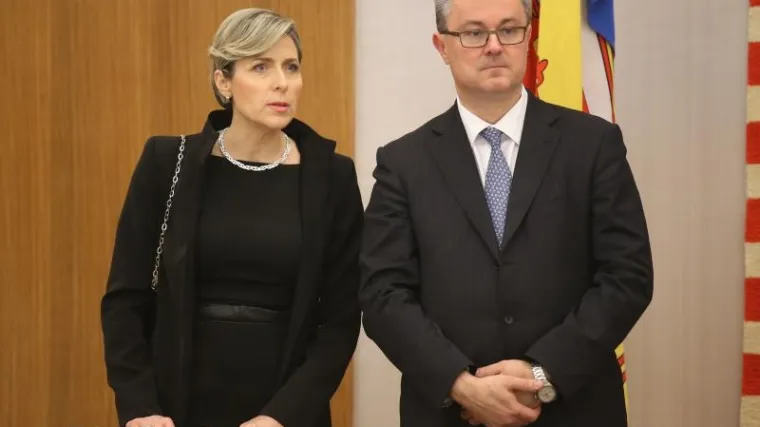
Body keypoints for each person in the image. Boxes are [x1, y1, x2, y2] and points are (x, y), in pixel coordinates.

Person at [358, 0, 654, 426]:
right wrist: (462, 385)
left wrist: (542, 373)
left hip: (575, 408)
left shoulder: (593, 145)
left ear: (529, 36)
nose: (494, 45)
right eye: (474, 33)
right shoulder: (403, 162)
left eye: (509, 29)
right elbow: (382, 294)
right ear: (442, 46)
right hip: (451, 413)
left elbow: (627, 277)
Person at [100, 8, 363, 427]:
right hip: (174, 405)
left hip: (284, 407)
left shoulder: (332, 176)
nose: (282, 82)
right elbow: (125, 300)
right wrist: (140, 408)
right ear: (223, 81)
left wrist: (281, 417)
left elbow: (340, 319)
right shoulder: (167, 162)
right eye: (260, 67)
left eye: (291, 67)